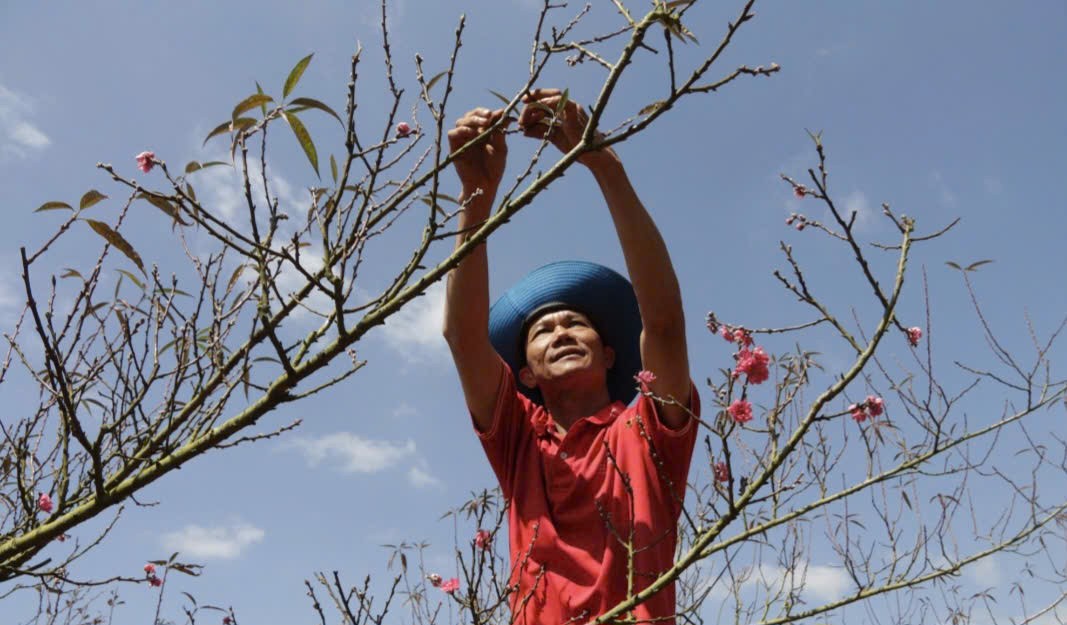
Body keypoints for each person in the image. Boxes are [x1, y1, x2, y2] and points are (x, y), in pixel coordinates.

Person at [442, 88, 699, 625]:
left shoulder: (647, 433)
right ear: (526, 373)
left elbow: (667, 326)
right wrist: (477, 198)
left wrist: (602, 163)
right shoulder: (520, 441)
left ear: (610, 355)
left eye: (576, 323)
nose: (560, 331)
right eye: (543, 331)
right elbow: (464, 339)